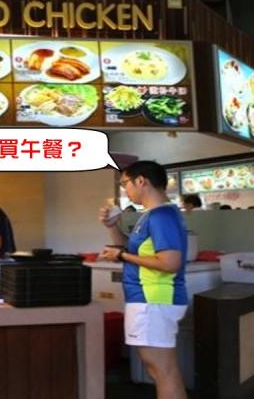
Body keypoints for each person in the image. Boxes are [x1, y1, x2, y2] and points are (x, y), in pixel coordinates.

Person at [99, 161, 188, 399]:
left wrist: (121, 256)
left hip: (154, 299)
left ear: (141, 181)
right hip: (151, 300)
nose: (125, 190)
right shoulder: (152, 215)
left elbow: (170, 262)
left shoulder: (161, 216)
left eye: (125, 183)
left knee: (162, 370)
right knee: (160, 369)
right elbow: (134, 249)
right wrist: (112, 227)